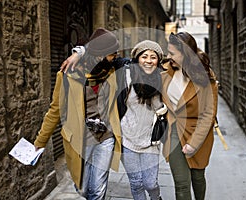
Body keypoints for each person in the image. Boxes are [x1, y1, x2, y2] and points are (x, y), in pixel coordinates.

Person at [34, 28, 125, 199]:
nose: (116, 57)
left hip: (106, 136)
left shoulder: (112, 70)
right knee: (83, 188)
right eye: (112, 53)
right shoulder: (68, 74)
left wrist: (80, 50)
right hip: (81, 137)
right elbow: (55, 110)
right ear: (100, 54)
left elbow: (138, 61)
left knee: (97, 190)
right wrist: (41, 140)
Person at [161, 32, 218, 200]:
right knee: (181, 183)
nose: (168, 56)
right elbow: (139, 62)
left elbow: (209, 113)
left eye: (172, 53)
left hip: (197, 131)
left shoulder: (205, 75)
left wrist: (194, 143)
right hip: (173, 132)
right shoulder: (165, 70)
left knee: (197, 177)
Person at [116, 40, 167, 200]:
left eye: (153, 57)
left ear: (158, 60)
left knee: (150, 183)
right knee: (136, 183)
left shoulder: (163, 78)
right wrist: (79, 53)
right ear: (137, 58)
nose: (149, 60)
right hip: (127, 138)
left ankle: (156, 197)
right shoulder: (126, 75)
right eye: (144, 56)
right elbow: (104, 60)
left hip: (150, 140)